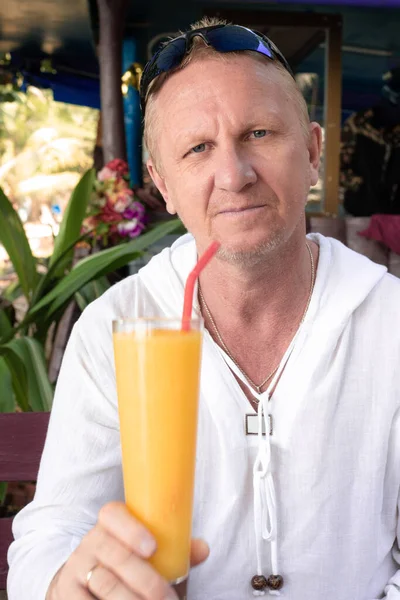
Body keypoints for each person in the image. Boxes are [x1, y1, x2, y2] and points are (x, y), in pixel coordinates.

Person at [7, 17, 400, 600]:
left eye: (260, 134)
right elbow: (57, 527)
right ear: (164, 187)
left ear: (314, 151)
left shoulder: (389, 319)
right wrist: (70, 583)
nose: (233, 176)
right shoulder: (118, 327)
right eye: (198, 148)